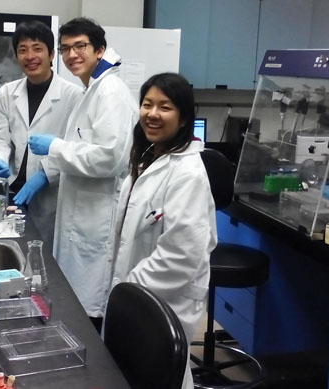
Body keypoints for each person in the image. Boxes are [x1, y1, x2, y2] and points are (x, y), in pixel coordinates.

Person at [28, 18, 138, 331]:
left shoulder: (110, 93)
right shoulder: (92, 90)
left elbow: (109, 158)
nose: (71, 54)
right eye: (65, 48)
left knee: (92, 308)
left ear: (100, 50)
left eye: (80, 46)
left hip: (96, 219)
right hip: (82, 214)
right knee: (77, 304)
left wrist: (56, 147)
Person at [110, 72, 217, 389]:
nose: (152, 114)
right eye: (147, 104)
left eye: (165, 107)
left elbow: (181, 256)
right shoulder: (149, 156)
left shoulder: (187, 174)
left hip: (166, 297)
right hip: (139, 294)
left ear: (183, 119)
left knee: (160, 376)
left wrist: (129, 288)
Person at [0, 20, 82, 249]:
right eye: (22, 50)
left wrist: (45, 175)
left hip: (51, 194)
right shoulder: (7, 93)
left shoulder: (74, 96)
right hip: (12, 191)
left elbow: (75, 148)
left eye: (37, 48)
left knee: (45, 260)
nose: (30, 56)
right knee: (11, 251)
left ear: (51, 54)